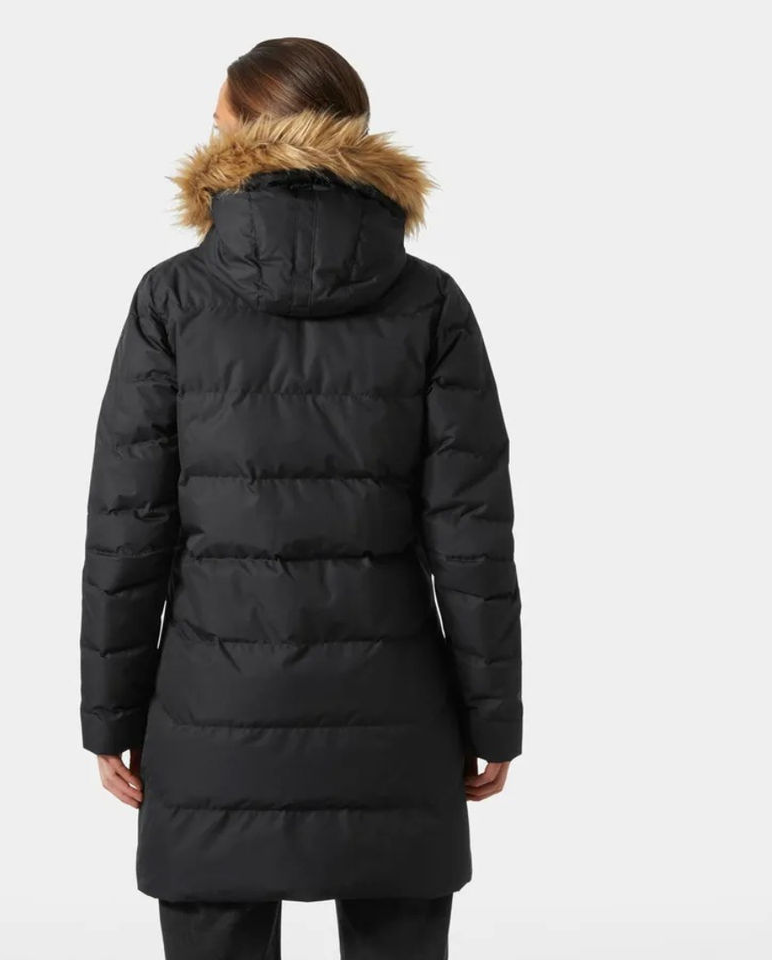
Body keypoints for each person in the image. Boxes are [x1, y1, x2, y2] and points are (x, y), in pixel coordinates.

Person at [79, 37, 523, 960]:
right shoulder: (430, 304)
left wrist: (111, 714)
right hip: (394, 716)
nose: (208, 133)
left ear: (251, 134)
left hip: (211, 714)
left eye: (218, 120)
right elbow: (471, 538)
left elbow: (130, 530)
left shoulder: (171, 301)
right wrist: (493, 717)